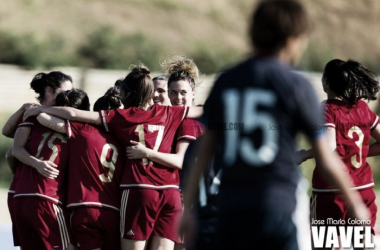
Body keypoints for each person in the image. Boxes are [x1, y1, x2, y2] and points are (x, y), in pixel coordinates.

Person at [179, 1, 370, 250]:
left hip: (232, 207)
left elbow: (204, 150)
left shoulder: (227, 82)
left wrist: (189, 208)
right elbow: (326, 156)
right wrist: (355, 203)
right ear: (293, 39)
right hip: (276, 205)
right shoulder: (295, 85)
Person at [23, 64, 203, 250]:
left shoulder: (121, 117)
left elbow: (73, 114)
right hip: (170, 191)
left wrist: (40, 109)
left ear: (127, 94)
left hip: (138, 189)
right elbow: (203, 110)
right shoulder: (170, 112)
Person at [297, 59, 380, 249]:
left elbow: (330, 145)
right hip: (363, 190)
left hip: (331, 193)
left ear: (325, 82)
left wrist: (304, 154)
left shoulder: (327, 109)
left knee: (326, 245)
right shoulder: (362, 108)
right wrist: (358, 152)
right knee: (363, 245)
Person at [126, 56, 205, 250]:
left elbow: (181, 161)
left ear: (193, 92)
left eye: (183, 93)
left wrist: (146, 153)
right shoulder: (170, 118)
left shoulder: (188, 123)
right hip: (167, 198)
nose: (178, 98)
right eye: (173, 93)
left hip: (185, 199)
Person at [37, 87, 124, 250]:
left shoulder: (83, 129)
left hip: (83, 206)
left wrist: (39, 108)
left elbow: (43, 118)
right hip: (113, 210)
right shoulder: (124, 139)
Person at [3, 71, 73, 248]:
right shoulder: (32, 115)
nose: (69, 96)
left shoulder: (47, 114)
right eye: (66, 91)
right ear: (49, 91)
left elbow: (11, 153)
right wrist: (37, 164)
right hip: (43, 195)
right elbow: (10, 143)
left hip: (21, 192)